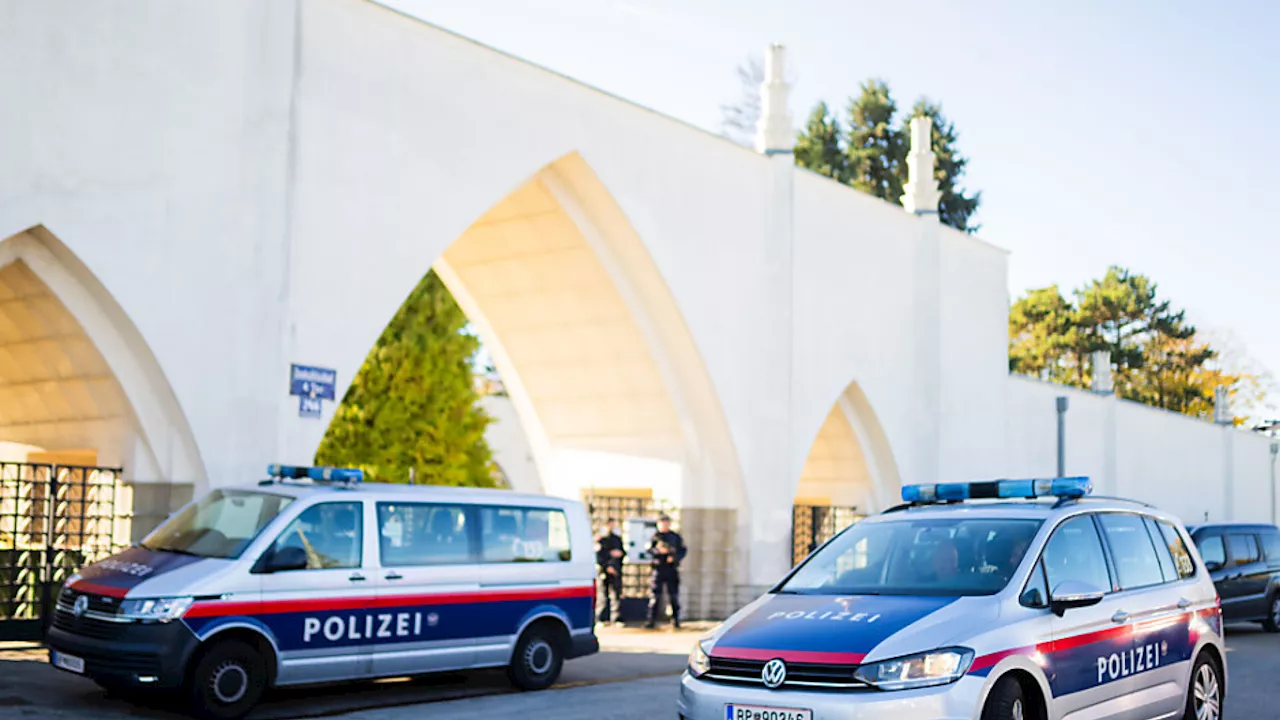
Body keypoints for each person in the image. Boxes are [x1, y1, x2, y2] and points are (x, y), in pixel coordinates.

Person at [646, 514, 687, 629]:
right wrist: (659, 552)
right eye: (661, 523)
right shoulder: (655, 536)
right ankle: (651, 620)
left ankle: (675, 619)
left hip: (671, 568)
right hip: (658, 568)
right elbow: (649, 549)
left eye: (666, 523)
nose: (664, 525)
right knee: (655, 595)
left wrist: (674, 558)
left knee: (673, 595)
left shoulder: (675, 537)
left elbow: (683, 550)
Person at [595, 518, 626, 625]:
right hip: (604, 571)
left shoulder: (617, 539)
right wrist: (606, 566)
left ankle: (616, 618)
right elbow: (599, 556)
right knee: (602, 595)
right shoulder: (601, 540)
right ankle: (601, 618)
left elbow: (623, 553)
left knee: (616, 595)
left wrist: (620, 554)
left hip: (616, 570)